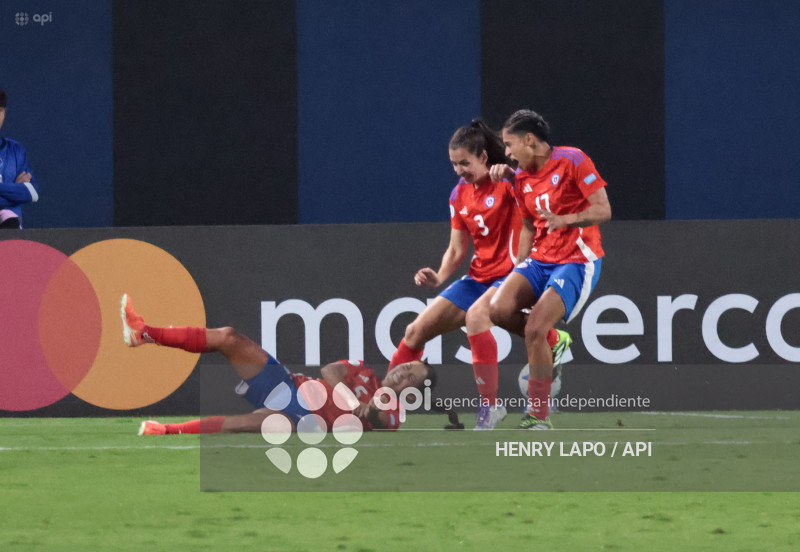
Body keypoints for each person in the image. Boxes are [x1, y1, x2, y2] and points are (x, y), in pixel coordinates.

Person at [388, 119, 572, 430]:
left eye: (464, 162)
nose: (458, 169)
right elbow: (457, 248)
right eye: (453, 163)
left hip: (510, 277)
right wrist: (440, 275)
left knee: (476, 318)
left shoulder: (509, 182)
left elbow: (539, 191)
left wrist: (514, 176)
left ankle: (491, 408)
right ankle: (385, 407)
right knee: (413, 332)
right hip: (478, 278)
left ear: (484, 157)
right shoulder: (458, 194)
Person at [119, 295, 434, 435]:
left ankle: (166, 430)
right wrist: (352, 402)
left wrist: (370, 409)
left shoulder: (395, 414)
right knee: (229, 337)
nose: (403, 371)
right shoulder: (364, 370)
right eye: (408, 366)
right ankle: (143, 333)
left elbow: (379, 418)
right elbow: (328, 370)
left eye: (411, 377)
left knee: (241, 425)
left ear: (412, 393)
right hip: (287, 385)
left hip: (300, 418)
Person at [489, 109, 611, 430]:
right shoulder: (522, 178)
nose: (507, 152)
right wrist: (518, 269)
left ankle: (538, 415)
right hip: (541, 258)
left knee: (533, 330)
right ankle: (556, 341)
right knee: (499, 309)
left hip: (577, 258)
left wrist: (567, 220)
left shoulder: (572, 160)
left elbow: (603, 209)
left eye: (509, 143)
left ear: (529, 140)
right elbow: (529, 227)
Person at [0, 89, 39, 229]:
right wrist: (14, 189)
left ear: (4, 114)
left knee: (10, 219)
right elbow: (21, 192)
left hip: (11, 232)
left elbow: (32, 193)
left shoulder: (15, 150)